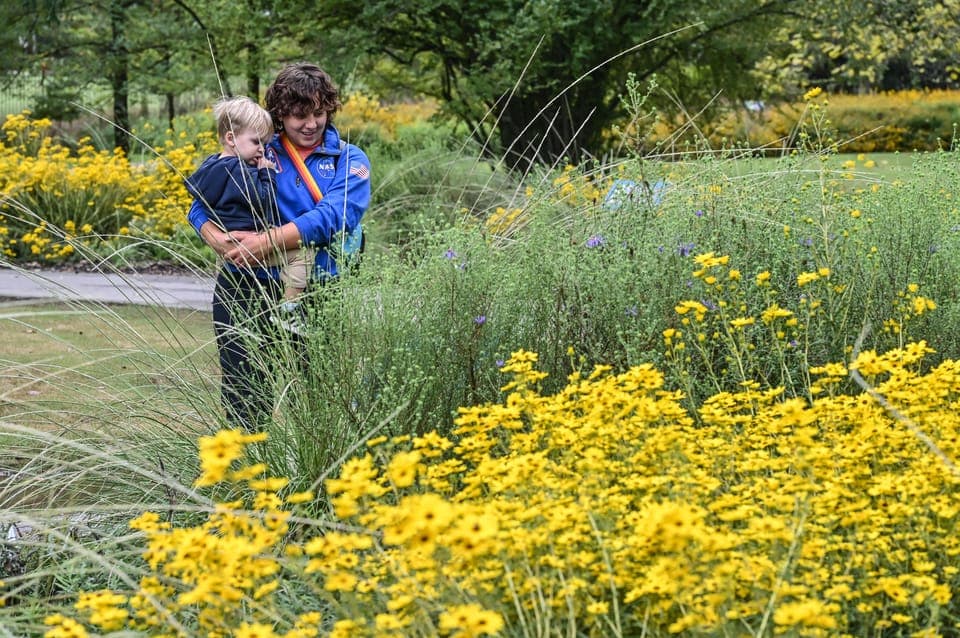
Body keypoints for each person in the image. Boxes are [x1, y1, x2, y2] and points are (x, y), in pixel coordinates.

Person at [187, 63, 371, 430]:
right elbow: (203, 199)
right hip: (245, 286)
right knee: (245, 398)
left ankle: (322, 482)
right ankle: (248, 477)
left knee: (321, 401)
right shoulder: (258, 146)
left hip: (318, 293)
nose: (310, 124)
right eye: (299, 115)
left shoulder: (350, 160)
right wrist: (212, 235)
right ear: (280, 114)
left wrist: (266, 241)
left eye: (319, 113)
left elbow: (334, 216)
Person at [184, 96, 316, 317]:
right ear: (231, 138)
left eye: (264, 144)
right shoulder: (240, 172)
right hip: (250, 243)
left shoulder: (211, 165)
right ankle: (289, 308)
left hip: (228, 246)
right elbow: (263, 199)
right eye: (256, 142)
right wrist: (267, 173)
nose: (262, 151)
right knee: (304, 253)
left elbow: (199, 202)